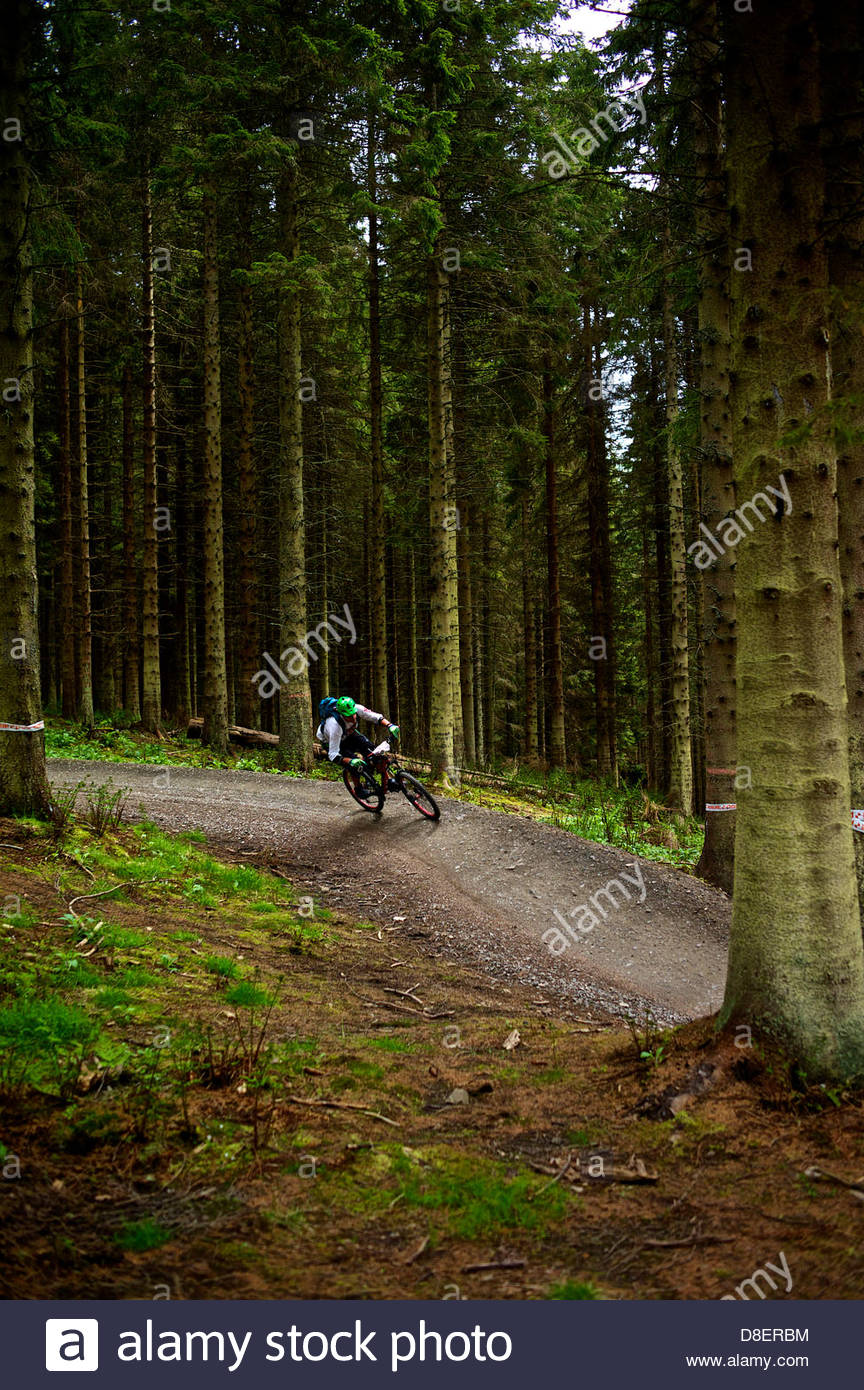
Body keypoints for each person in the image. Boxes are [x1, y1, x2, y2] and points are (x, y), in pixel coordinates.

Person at [316, 696, 400, 779]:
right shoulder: (334, 726)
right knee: (355, 765)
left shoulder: (356, 707)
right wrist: (350, 761)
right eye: (349, 716)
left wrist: (390, 725)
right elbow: (333, 755)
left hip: (349, 734)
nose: (353, 718)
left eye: (353, 714)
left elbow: (375, 716)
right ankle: (358, 789)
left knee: (374, 752)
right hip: (331, 742)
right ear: (341, 714)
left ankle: (375, 779)